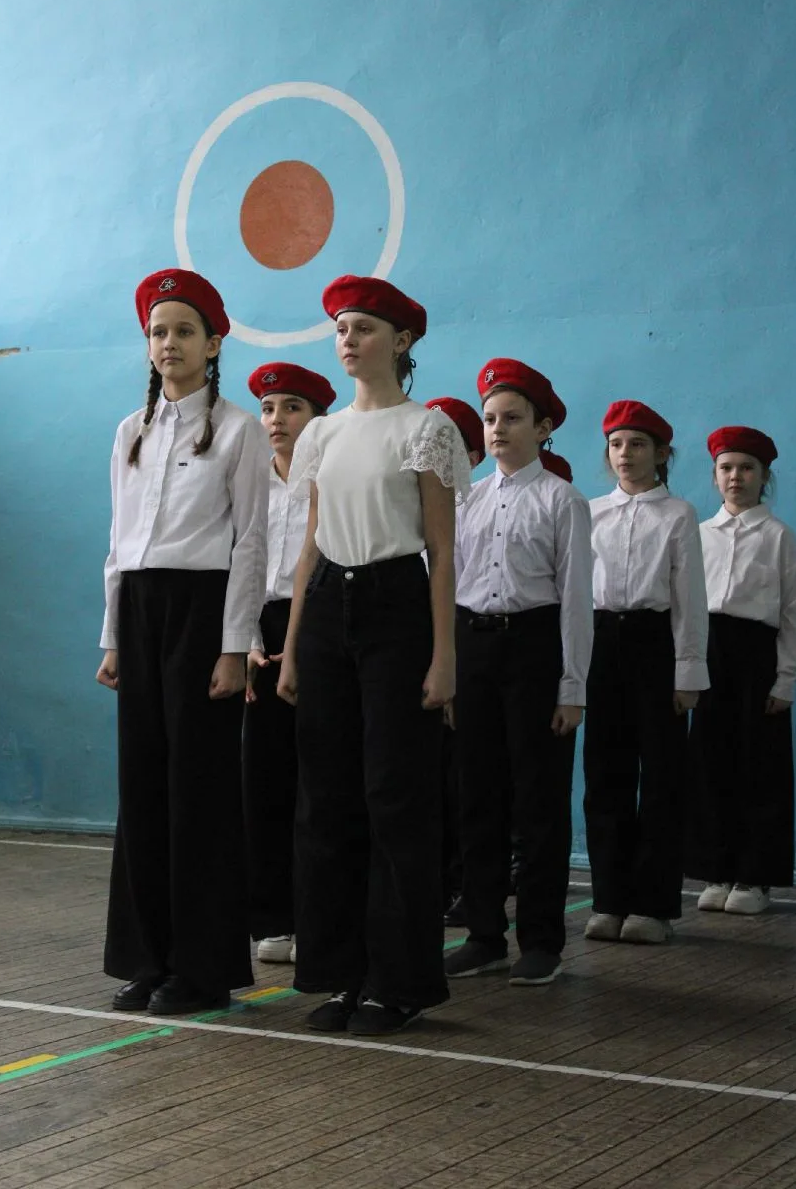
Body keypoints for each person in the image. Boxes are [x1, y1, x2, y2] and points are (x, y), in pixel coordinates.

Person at [277, 274, 472, 1036]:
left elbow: (442, 550)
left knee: (395, 795)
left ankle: (399, 982)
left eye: (362, 328)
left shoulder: (425, 429)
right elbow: (308, 546)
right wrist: (292, 648)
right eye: (340, 329)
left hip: (396, 605)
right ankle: (340, 974)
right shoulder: (322, 434)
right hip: (328, 604)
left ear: (402, 340)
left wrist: (443, 656)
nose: (348, 340)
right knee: (326, 798)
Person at [97, 267, 269, 1015]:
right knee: (142, 785)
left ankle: (202, 969)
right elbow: (119, 541)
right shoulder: (129, 433)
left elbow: (251, 543)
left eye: (184, 331)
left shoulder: (238, 430)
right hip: (140, 610)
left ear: (213, 343)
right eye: (158, 332)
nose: (169, 343)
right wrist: (112, 637)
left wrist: (234, 646)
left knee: (198, 789)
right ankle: (149, 957)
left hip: (202, 613)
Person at [445, 358, 593, 986]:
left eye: (512, 418)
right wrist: (449, 672)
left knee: (538, 801)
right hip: (474, 649)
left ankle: (541, 940)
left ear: (543, 427)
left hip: (534, 651)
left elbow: (576, 599)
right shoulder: (467, 501)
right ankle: (484, 934)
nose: (498, 429)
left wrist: (572, 687)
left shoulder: (563, 501)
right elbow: (451, 586)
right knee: (477, 796)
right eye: (490, 418)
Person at [583, 400, 708, 945]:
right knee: (604, 774)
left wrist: (688, 673)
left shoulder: (677, 515)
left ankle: (652, 906)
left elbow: (689, 598)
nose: (625, 454)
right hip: (600, 642)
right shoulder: (590, 512)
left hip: (655, 644)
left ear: (661, 454)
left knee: (660, 776)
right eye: (616, 444)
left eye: (637, 444)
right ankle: (609, 899)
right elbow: (574, 594)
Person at [243, 361, 336, 962]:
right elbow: (241, 563)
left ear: (317, 418)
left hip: (319, 630)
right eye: (268, 409)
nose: (277, 419)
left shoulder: (330, 481)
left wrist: (303, 642)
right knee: (264, 782)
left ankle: (318, 917)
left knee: (317, 782)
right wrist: (247, 638)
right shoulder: (249, 483)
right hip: (258, 635)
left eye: (292, 408)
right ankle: (272, 917)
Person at [687, 426, 796, 915]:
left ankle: (755, 878)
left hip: (757, 658)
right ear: (715, 476)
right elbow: (685, 606)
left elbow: (794, 613)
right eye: (726, 468)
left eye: (747, 468)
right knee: (710, 762)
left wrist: (786, 679)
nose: (736, 477)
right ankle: (716, 869)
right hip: (708, 653)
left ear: (764, 476)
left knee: (760, 766)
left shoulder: (778, 538)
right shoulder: (698, 535)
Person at [424, 397, 485, 927]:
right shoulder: (405, 508)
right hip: (407, 652)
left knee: (460, 778)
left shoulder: (475, 510)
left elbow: (466, 594)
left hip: (455, 652)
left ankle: (465, 883)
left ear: (472, 457)